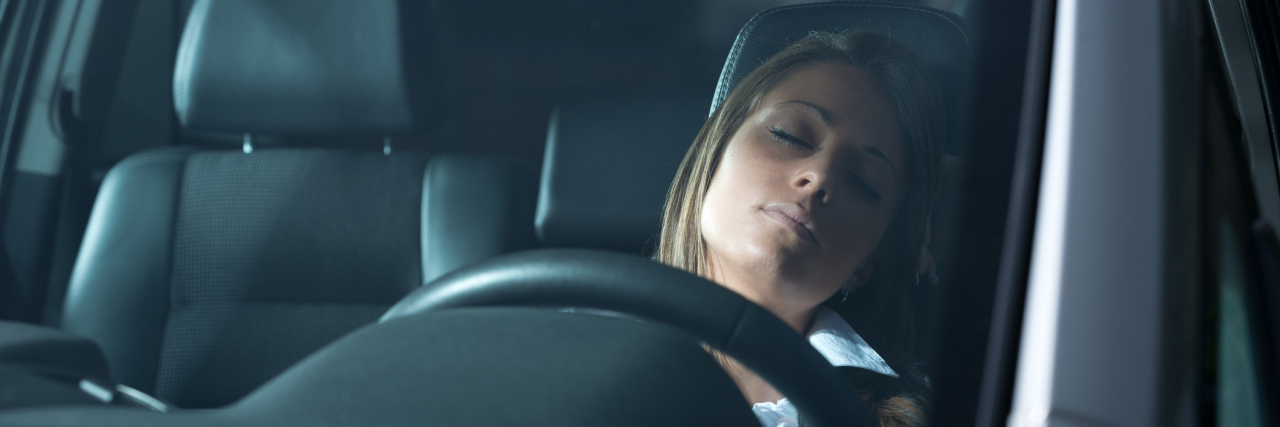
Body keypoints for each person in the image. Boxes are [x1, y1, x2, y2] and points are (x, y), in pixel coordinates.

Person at [655, 30, 944, 427]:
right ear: (716, 149)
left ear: (869, 260)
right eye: (789, 135)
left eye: (863, 182)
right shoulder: (571, 335)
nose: (820, 176)